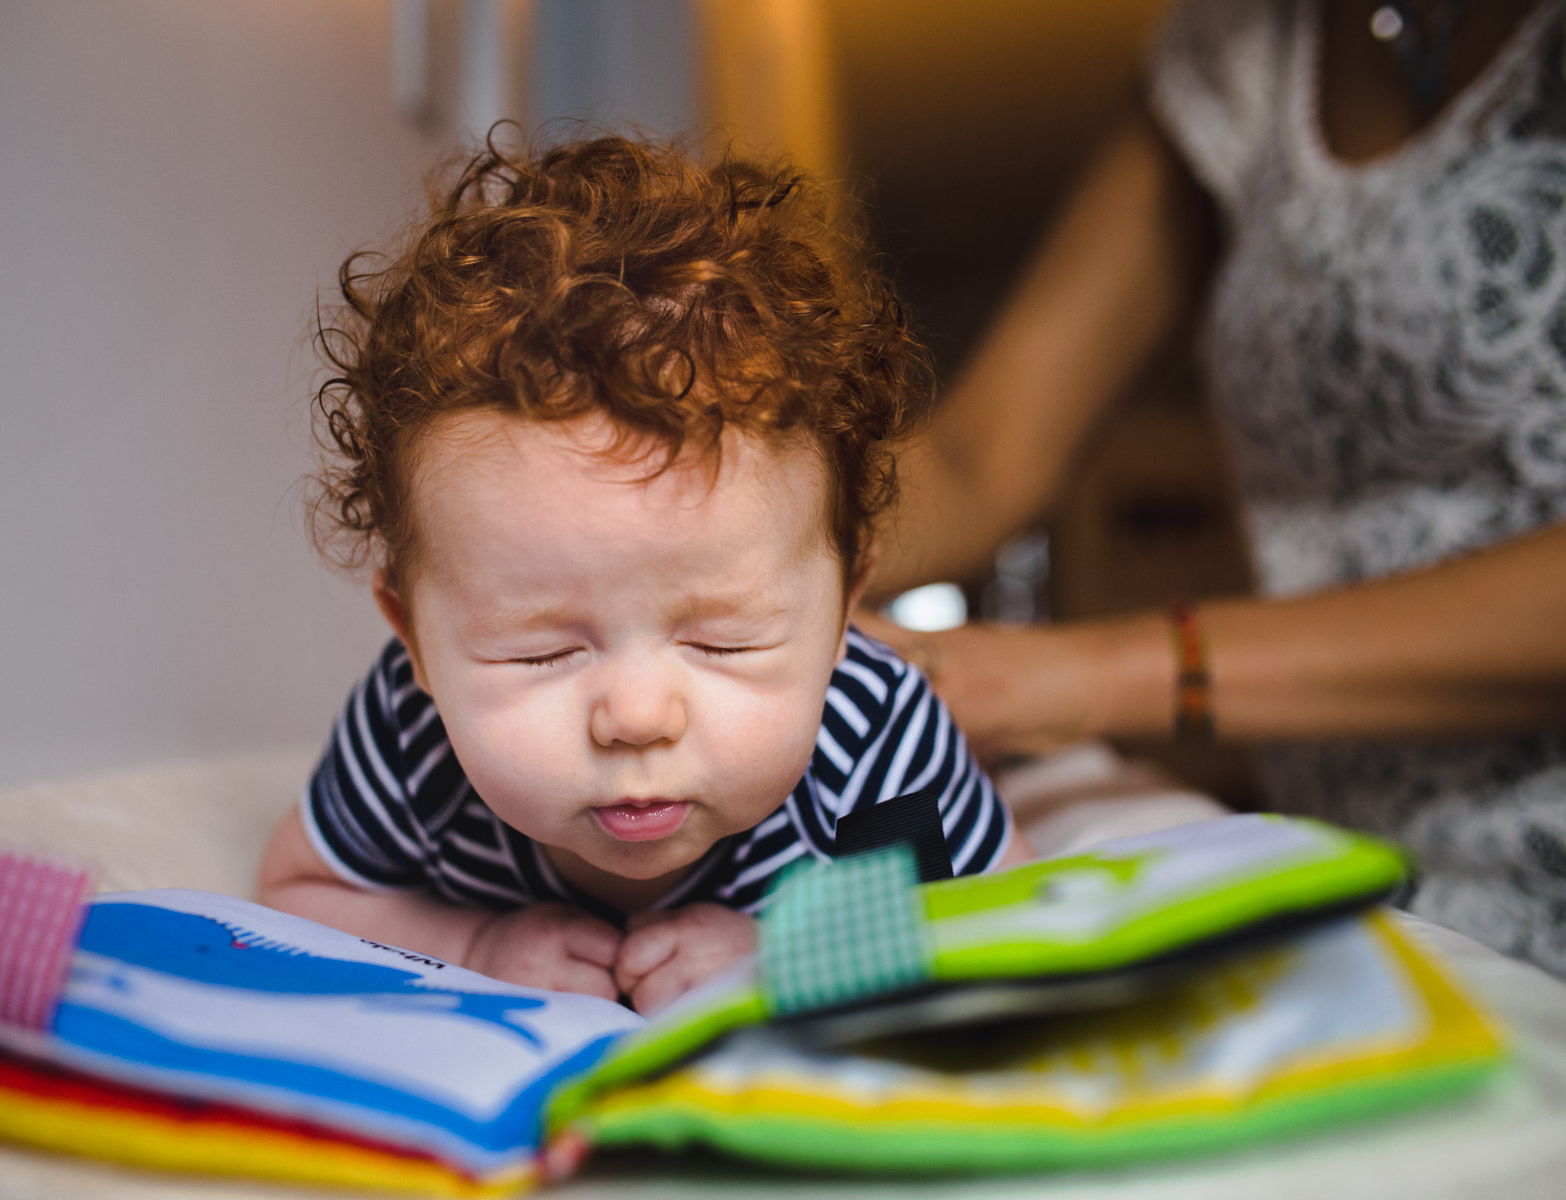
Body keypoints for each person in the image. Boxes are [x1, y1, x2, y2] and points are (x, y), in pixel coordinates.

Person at [862, 0, 1566, 974]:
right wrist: (715, 526)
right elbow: (975, 459)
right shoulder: (1236, 43)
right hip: (1351, 838)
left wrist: (1073, 675)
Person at [256, 135, 1027, 1016]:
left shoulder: (876, 740)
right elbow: (296, 895)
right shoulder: (406, 737)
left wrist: (789, 953)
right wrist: (469, 944)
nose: (635, 719)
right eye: (539, 652)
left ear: (846, 606)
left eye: (721, 639)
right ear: (416, 641)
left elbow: (1006, 917)